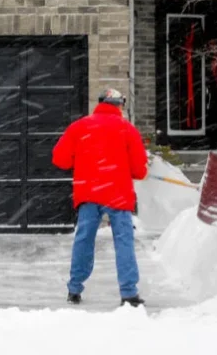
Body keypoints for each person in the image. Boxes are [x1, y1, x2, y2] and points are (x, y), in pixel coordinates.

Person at [52, 88, 148, 307]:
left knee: (84, 239)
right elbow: (139, 171)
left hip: (89, 191)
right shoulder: (127, 129)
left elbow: (60, 159)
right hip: (118, 194)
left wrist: (84, 158)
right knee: (123, 241)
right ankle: (128, 293)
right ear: (118, 105)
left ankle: (74, 288)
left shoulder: (79, 127)